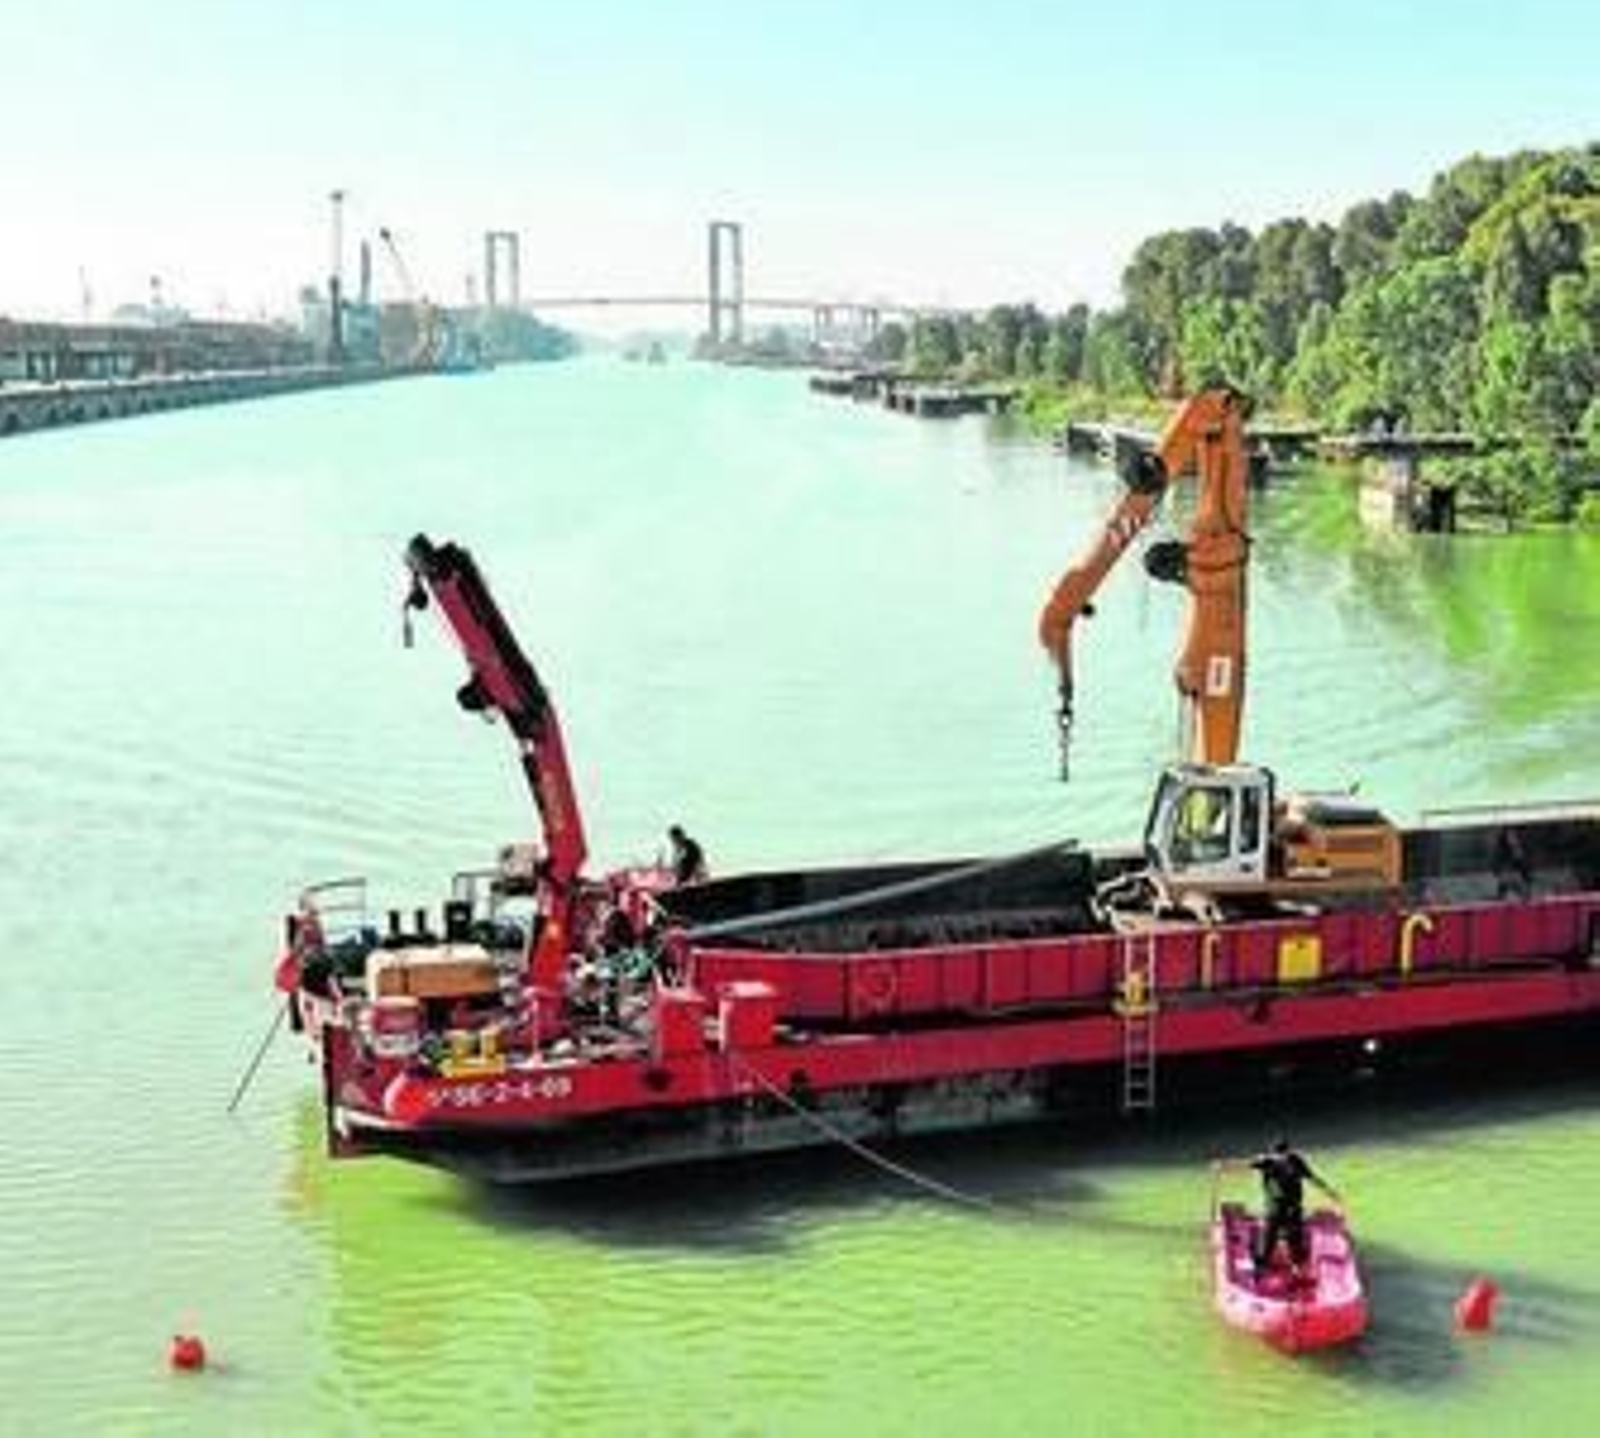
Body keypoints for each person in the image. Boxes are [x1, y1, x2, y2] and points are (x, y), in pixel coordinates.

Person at [1217, 1138, 1342, 1280]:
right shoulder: (1267, 1161)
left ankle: (1296, 1268)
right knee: (1270, 1238)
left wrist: (1330, 1192)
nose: (1282, 1159)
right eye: (1280, 1156)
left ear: (1288, 1152)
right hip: (1275, 1209)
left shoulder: (1295, 1161)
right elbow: (1243, 1165)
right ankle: (1263, 1267)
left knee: (1294, 1238)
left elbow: (1312, 1178)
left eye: (1284, 1156)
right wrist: (1224, 1166)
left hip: (1292, 1207)